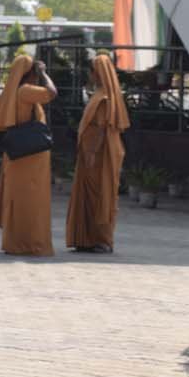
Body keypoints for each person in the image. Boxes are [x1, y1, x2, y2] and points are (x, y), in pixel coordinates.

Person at [0, 54, 58, 256]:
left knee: (18, 199)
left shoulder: (13, 92)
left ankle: (16, 242)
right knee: (32, 201)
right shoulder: (26, 90)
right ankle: (28, 243)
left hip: (17, 155)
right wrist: (43, 73)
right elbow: (52, 92)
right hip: (30, 156)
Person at [66, 53, 129, 253]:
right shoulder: (101, 94)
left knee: (100, 195)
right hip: (94, 152)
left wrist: (91, 153)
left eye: (91, 71)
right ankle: (86, 238)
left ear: (97, 73)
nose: (89, 75)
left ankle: (102, 239)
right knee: (91, 194)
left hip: (100, 155)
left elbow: (100, 128)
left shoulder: (104, 99)